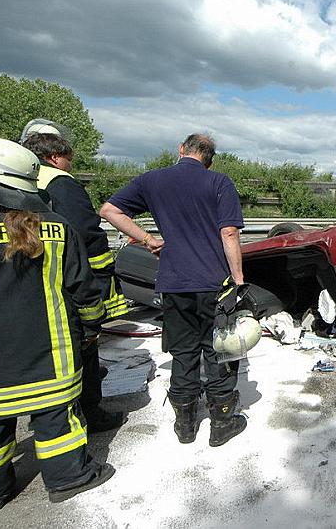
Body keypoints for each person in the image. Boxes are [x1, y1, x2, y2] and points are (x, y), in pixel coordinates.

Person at [0, 138, 115, 511]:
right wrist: (91, 330)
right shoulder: (58, 228)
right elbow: (84, 290)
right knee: (58, 418)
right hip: (51, 349)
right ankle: (69, 478)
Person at [100, 133, 247, 447]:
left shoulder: (152, 180)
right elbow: (230, 232)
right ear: (209, 158)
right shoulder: (219, 182)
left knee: (183, 351)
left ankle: (185, 425)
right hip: (213, 283)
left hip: (175, 280)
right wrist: (238, 278)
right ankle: (221, 424)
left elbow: (109, 210)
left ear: (181, 150)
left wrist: (148, 239)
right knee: (218, 350)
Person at [22, 131, 126, 433]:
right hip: (68, 281)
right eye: (69, 159)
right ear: (56, 157)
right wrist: (100, 282)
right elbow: (85, 234)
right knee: (84, 343)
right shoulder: (61, 184)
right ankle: (90, 413)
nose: (70, 165)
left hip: (31, 281)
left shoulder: (19, 184)